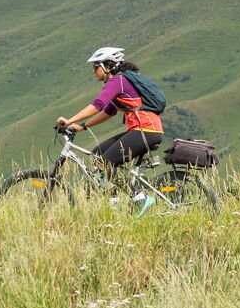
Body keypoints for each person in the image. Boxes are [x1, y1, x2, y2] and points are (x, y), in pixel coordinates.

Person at [56, 46, 164, 212]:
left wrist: (70, 120)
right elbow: (108, 112)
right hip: (142, 130)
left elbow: (97, 105)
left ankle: (140, 199)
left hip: (146, 130)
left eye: (95, 67)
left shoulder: (117, 82)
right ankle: (114, 201)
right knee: (97, 155)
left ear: (107, 66)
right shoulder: (121, 82)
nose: (94, 72)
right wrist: (82, 127)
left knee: (106, 162)